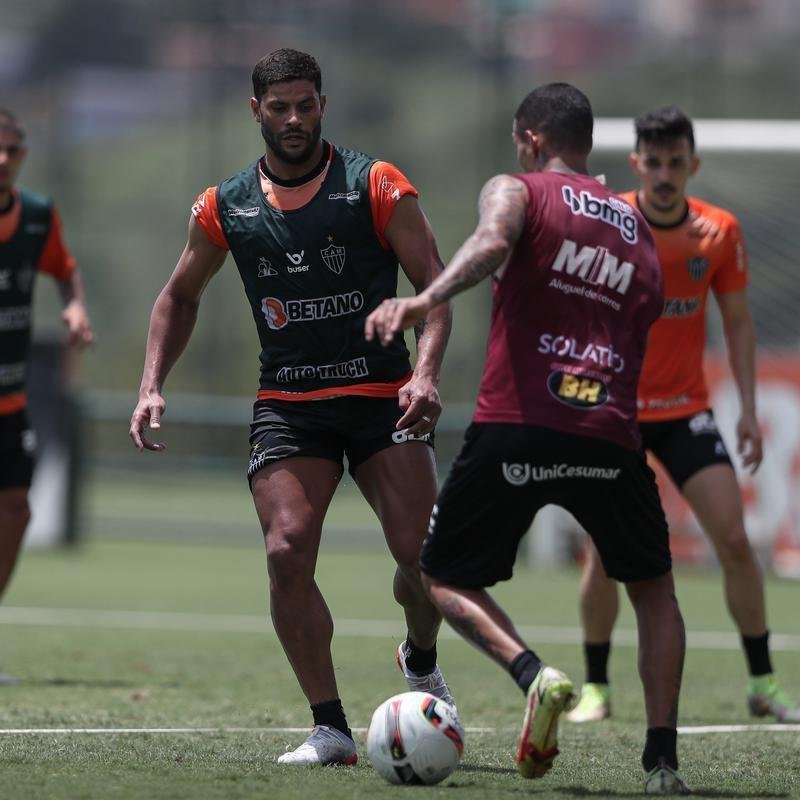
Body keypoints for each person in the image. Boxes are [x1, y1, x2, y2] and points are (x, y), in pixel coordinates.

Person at [129, 49, 454, 766]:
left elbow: (433, 290)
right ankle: (331, 728)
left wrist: (425, 376)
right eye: (280, 108)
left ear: (322, 105)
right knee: (284, 552)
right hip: (291, 403)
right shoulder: (225, 206)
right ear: (256, 113)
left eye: (306, 104)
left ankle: (421, 657)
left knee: (423, 560)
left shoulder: (376, 185)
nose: (295, 119)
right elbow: (177, 298)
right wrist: (153, 383)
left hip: (380, 397)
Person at [366, 83, 689, 794]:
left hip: (519, 421)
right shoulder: (638, 228)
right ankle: (662, 762)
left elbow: (492, 239)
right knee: (655, 588)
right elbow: (648, 313)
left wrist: (424, 299)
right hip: (610, 430)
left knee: (440, 574)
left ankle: (532, 673)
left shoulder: (519, 188)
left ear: (533, 140)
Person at [567, 105, 799, 725]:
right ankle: (597, 688)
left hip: (687, 412)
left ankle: (763, 681)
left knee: (734, 538)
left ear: (692, 166)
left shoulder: (719, 231)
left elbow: (739, 323)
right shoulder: (609, 223)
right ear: (636, 163)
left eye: (676, 162)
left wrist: (748, 411)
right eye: (654, 161)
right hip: (616, 414)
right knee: (601, 550)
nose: (665, 173)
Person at [0, 110, 94, 685]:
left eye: (11, 149)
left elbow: (66, 270)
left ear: (23, 155)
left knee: (17, 510)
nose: (2, 159)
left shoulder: (36, 217)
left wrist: (76, 305)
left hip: (9, 403)